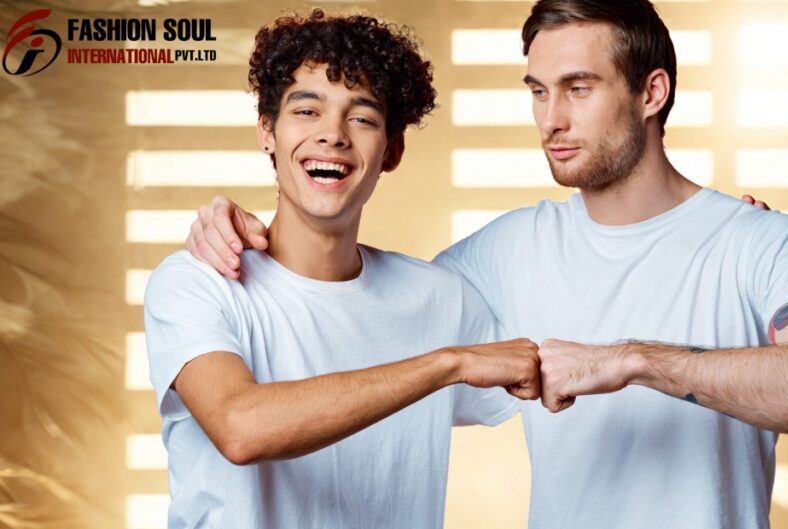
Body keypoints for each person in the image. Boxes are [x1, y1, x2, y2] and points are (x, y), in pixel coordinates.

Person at [186, 1, 788, 527]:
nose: (550, 118)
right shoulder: (505, 253)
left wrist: (632, 359)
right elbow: (340, 324)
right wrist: (258, 233)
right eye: (538, 90)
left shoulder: (760, 242)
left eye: (578, 87)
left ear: (652, 93)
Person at [144, 10, 544, 529]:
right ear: (267, 131)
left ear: (392, 151)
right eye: (307, 111)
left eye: (362, 117)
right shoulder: (198, 283)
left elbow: (553, 379)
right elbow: (240, 428)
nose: (332, 134)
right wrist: (446, 364)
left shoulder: (441, 298)